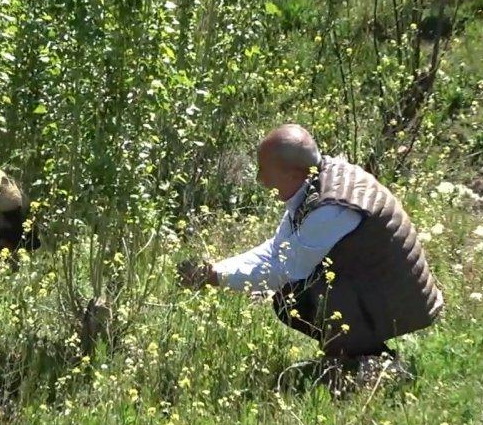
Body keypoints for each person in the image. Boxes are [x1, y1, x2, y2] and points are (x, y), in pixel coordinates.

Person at [178, 124, 443, 386]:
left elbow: (283, 269)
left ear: (293, 173)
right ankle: (356, 357)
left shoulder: (331, 209)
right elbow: (278, 249)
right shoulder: (317, 182)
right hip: (380, 286)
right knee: (291, 298)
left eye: (265, 171)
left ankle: (370, 363)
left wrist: (213, 278)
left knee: (295, 298)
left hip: (403, 301)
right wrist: (215, 269)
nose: (261, 180)